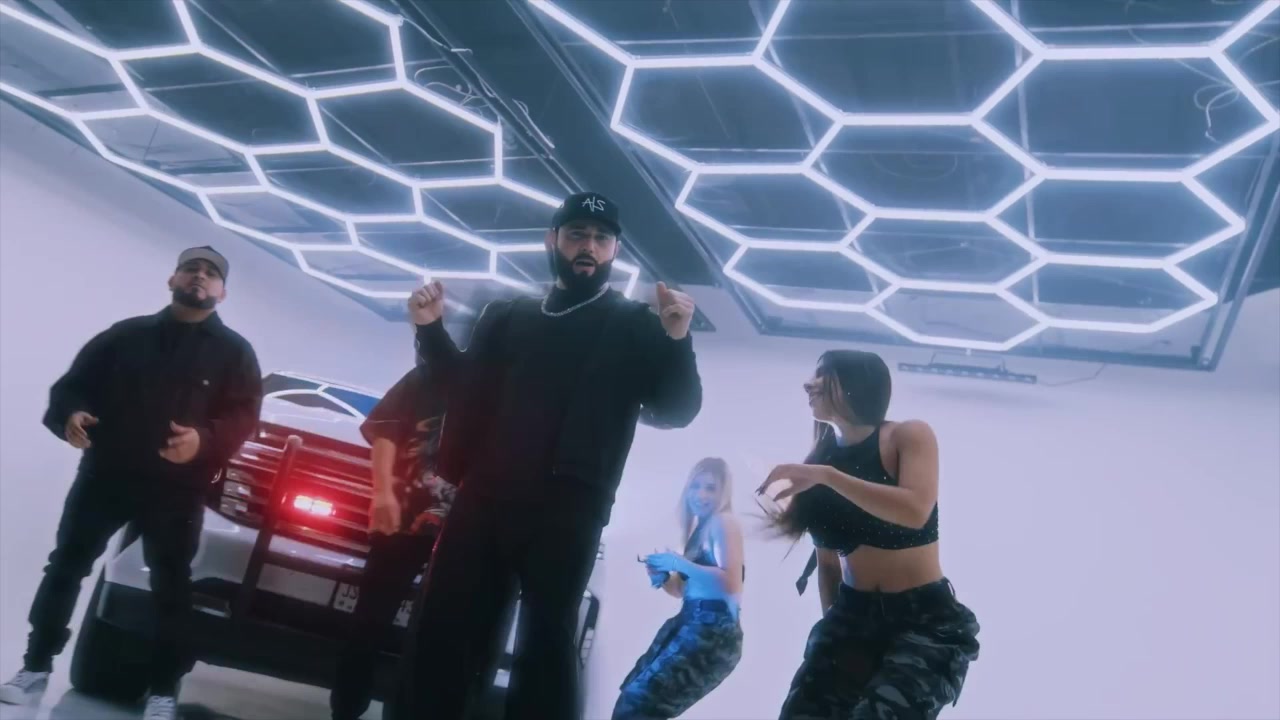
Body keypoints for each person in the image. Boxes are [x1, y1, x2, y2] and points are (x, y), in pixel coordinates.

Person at [396, 191, 703, 720]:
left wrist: (677, 339)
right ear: (552, 241)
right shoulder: (507, 315)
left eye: (602, 238)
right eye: (577, 234)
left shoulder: (635, 324)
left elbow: (676, 409)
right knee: (446, 628)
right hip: (485, 497)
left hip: (569, 508)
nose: (589, 247)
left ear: (615, 251)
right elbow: (463, 389)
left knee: (546, 643)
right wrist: (430, 330)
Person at [0, 247, 263, 720]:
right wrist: (71, 415)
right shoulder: (126, 335)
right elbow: (72, 387)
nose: (199, 277)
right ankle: (34, 667)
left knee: (172, 586)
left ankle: (163, 690)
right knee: (66, 567)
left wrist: (203, 440)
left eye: (210, 274)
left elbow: (243, 418)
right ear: (172, 279)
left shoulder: (235, 353)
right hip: (106, 475)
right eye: (191, 269)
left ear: (222, 293)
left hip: (176, 488)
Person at [756, 350, 980, 720]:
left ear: (856, 383)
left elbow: (915, 510)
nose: (809, 385)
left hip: (922, 620)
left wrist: (827, 477)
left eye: (823, 375)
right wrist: (836, 640)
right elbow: (829, 566)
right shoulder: (819, 463)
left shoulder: (908, 435)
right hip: (851, 614)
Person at [329, 335, 456, 720]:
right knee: (369, 620)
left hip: (463, 530)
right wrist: (382, 492)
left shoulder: (501, 386)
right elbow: (386, 431)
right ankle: (345, 711)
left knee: (440, 632)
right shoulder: (427, 377)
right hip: (404, 517)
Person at [614, 457, 745, 720]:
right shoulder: (699, 530)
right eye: (695, 486)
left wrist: (679, 563)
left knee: (637, 704)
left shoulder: (723, 521)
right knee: (633, 698)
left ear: (723, 492)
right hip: (693, 624)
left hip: (713, 633)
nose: (701, 494)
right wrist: (662, 576)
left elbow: (731, 583)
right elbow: (682, 591)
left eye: (710, 488)